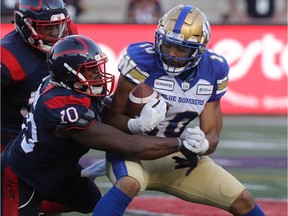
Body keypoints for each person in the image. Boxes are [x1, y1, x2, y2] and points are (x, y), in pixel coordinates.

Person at [92, 5, 266, 216]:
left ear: (198, 50)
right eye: (167, 45)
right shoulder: (141, 60)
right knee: (129, 183)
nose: (171, 54)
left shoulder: (214, 69)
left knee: (243, 200)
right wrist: (134, 124)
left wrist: (202, 145)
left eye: (181, 49)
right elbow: (112, 118)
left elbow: (212, 135)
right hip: (132, 152)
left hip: (175, 155)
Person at [1, 34, 201, 216]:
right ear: (69, 74)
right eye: (91, 71)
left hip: (56, 168)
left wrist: (135, 123)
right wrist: (181, 143)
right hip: (22, 178)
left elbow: (102, 109)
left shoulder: (67, 87)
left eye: (97, 68)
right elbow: (129, 145)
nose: (98, 74)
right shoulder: (62, 108)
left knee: (89, 201)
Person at [1, 0, 78, 152]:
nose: (57, 34)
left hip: (51, 131)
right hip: (14, 136)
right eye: (48, 29)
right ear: (26, 25)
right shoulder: (8, 57)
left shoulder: (69, 35)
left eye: (59, 26)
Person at [223, 0, 287, 23]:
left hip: (269, 20)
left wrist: (280, 15)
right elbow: (231, 1)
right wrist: (240, 15)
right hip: (251, 20)